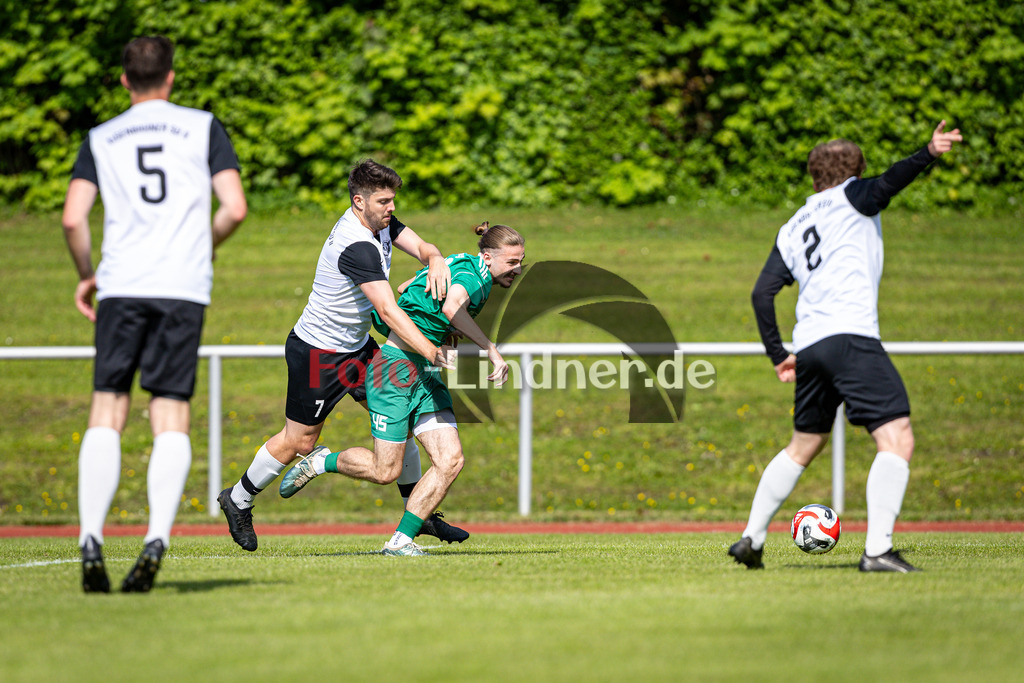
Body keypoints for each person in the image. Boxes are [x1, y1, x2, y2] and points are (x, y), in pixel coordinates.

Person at [729, 120, 963, 573]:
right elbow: (895, 178)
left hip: (811, 344)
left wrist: (780, 354)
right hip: (851, 336)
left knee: (804, 444)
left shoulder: (792, 226)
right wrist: (929, 152)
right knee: (896, 437)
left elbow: (762, 294)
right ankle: (877, 551)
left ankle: (751, 539)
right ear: (855, 172)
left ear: (813, 176)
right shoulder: (855, 197)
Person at [62, 36, 248, 593]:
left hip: (121, 285)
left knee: (107, 408)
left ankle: (91, 536)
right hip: (181, 287)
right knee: (170, 411)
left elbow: (74, 218)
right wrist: (205, 243)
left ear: (124, 80)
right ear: (170, 78)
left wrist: (87, 272)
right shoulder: (201, 126)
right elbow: (234, 207)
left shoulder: (102, 136)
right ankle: (156, 538)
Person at [217, 160, 468, 551]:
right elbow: (388, 312)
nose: (390, 208)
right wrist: (432, 352)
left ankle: (419, 516)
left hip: (357, 349)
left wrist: (434, 257)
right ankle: (238, 498)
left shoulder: (380, 221)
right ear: (358, 202)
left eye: (392, 201)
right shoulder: (357, 247)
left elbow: (419, 245)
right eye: (383, 201)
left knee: (402, 416)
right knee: (299, 442)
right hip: (318, 354)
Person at [279, 222, 525, 555]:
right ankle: (322, 462)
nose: (518, 269)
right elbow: (452, 306)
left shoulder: (459, 261)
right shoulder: (477, 276)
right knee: (386, 471)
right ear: (488, 256)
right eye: (511, 262)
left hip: (425, 373)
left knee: (450, 460)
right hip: (394, 371)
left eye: (521, 261)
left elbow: (408, 284)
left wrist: (440, 326)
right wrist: (490, 348)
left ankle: (401, 541)